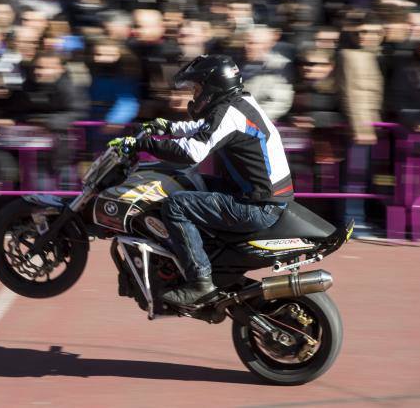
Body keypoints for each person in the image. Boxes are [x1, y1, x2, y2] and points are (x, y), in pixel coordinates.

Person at [108, 55, 294, 307]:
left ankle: (200, 283)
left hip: (256, 205)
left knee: (175, 205)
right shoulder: (238, 104)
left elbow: (191, 152)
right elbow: (206, 128)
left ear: (212, 86)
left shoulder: (230, 112)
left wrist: (141, 143)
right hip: (258, 195)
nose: (194, 96)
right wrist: (168, 128)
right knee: (188, 181)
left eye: (196, 89)